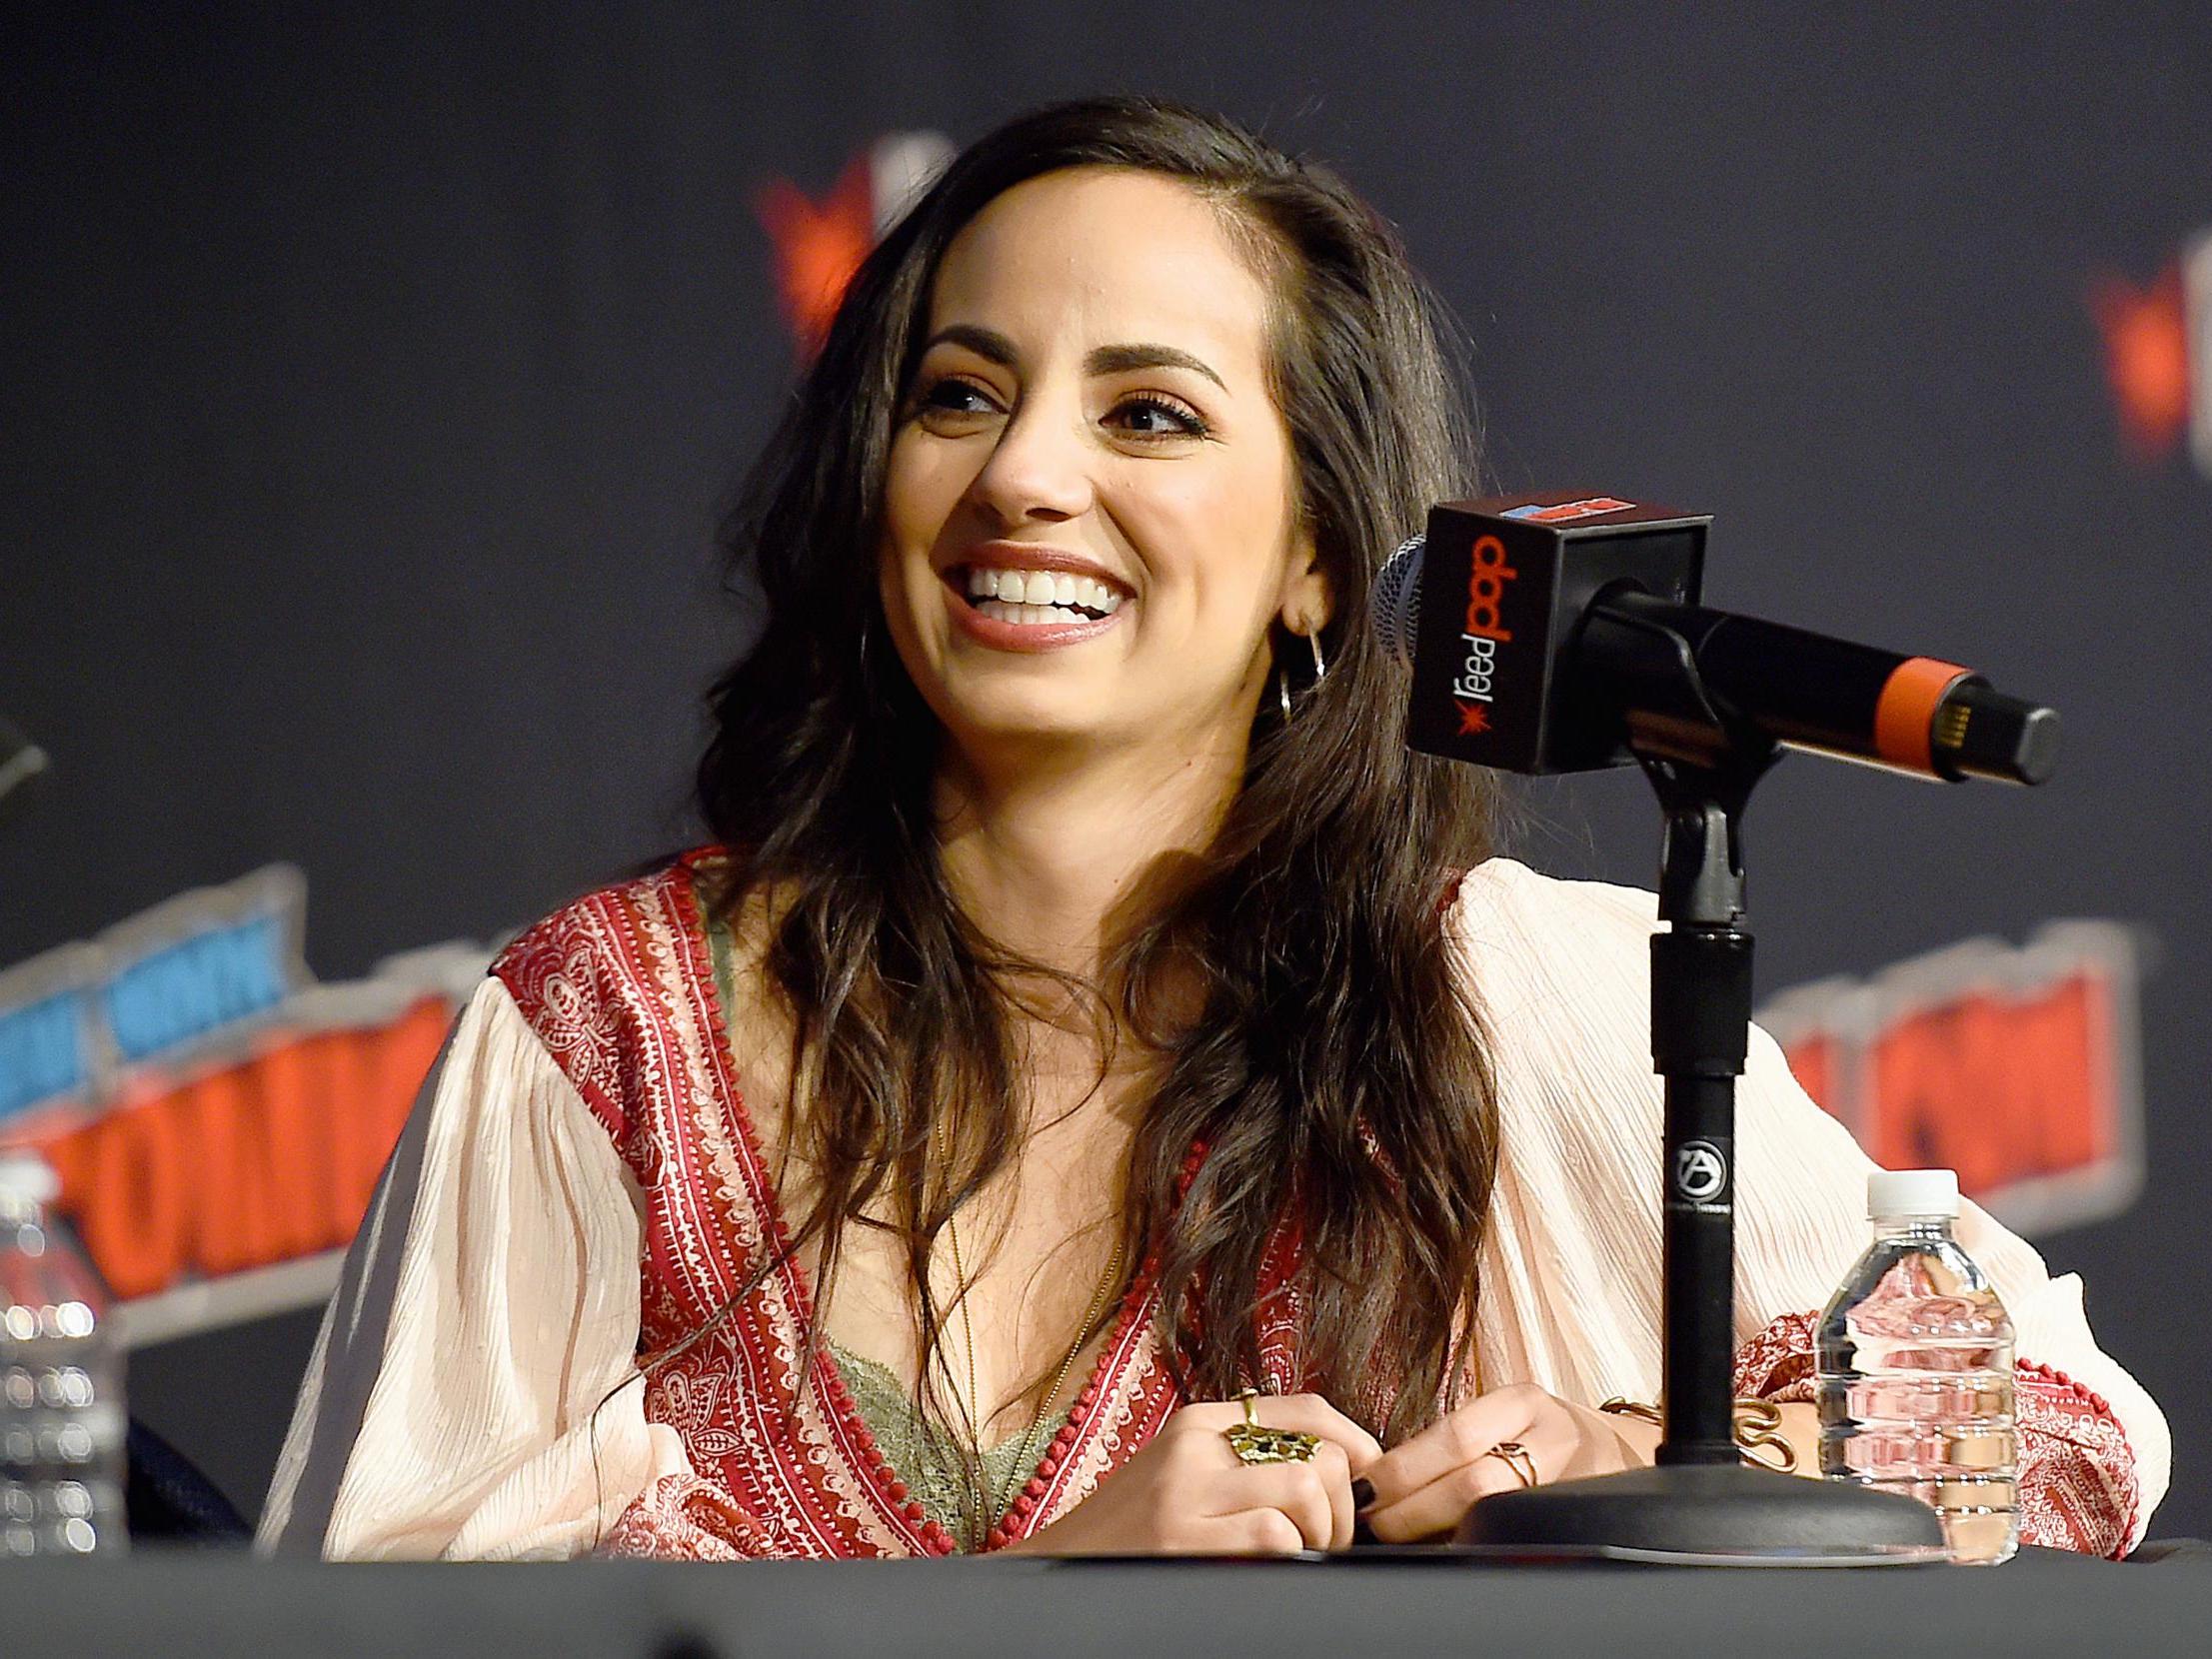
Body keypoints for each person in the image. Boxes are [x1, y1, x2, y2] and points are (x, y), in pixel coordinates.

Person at [258, 97, 2167, 1562]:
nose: (1023, 476)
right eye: (958, 394)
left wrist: (1640, 1460)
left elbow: (2053, 1434)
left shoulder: (1501, 996)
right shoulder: (600, 1031)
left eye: (1148, 415)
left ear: (1326, 562)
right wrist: (1044, 1598)